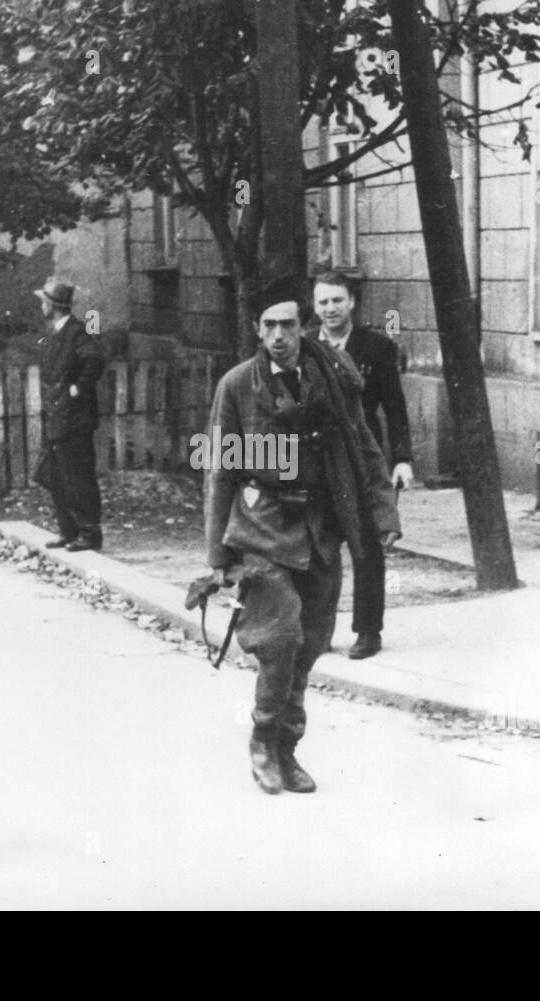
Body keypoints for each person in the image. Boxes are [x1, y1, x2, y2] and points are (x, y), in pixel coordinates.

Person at [204, 275, 400, 795]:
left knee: (311, 641)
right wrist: (217, 552)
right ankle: (263, 741)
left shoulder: (331, 377)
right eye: (267, 325)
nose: (278, 335)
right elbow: (221, 470)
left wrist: (382, 514)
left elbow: (363, 446)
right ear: (256, 329)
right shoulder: (238, 385)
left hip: (320, 528)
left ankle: (288, 750)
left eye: (287, 324)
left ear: (302, 326)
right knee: (279, 637)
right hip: (263, 527)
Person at [309, 271, 413, 659]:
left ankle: (368, 631)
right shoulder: (303, 346)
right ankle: (319, 631)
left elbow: (395, 408)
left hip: (361, 463)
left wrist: (402, 459)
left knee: (367, 547)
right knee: (320, 549)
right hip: (318, 462)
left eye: (337, 300)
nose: (330, 309)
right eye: (322, 302)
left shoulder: (376, 347)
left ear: (352, 302)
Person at [33, 277, 106, 552]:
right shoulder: (55, 333)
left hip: (75, 420)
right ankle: (68, 531)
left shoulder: (77, 332)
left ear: (53, 305)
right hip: (57, 419)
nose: (41, 306)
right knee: (56, 476)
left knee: (78, 478)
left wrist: (78, 388)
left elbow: (95, 360)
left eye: (44, 302)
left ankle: (89, 534)